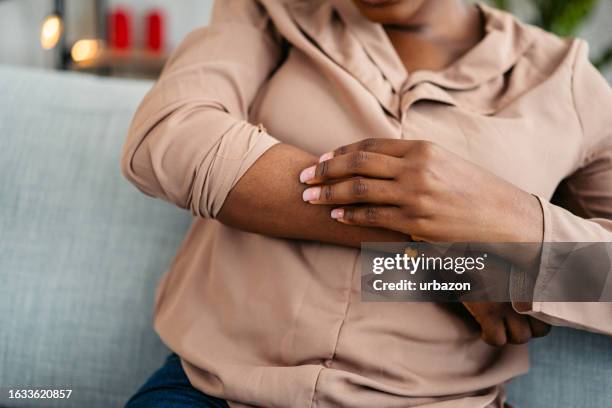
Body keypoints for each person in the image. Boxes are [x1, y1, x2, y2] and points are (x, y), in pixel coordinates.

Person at [122, 0, 612, 407]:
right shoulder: (271, 11)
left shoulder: (565, 84)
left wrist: (506, 214)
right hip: (211, 390)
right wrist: (456, 256)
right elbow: (167, 140)